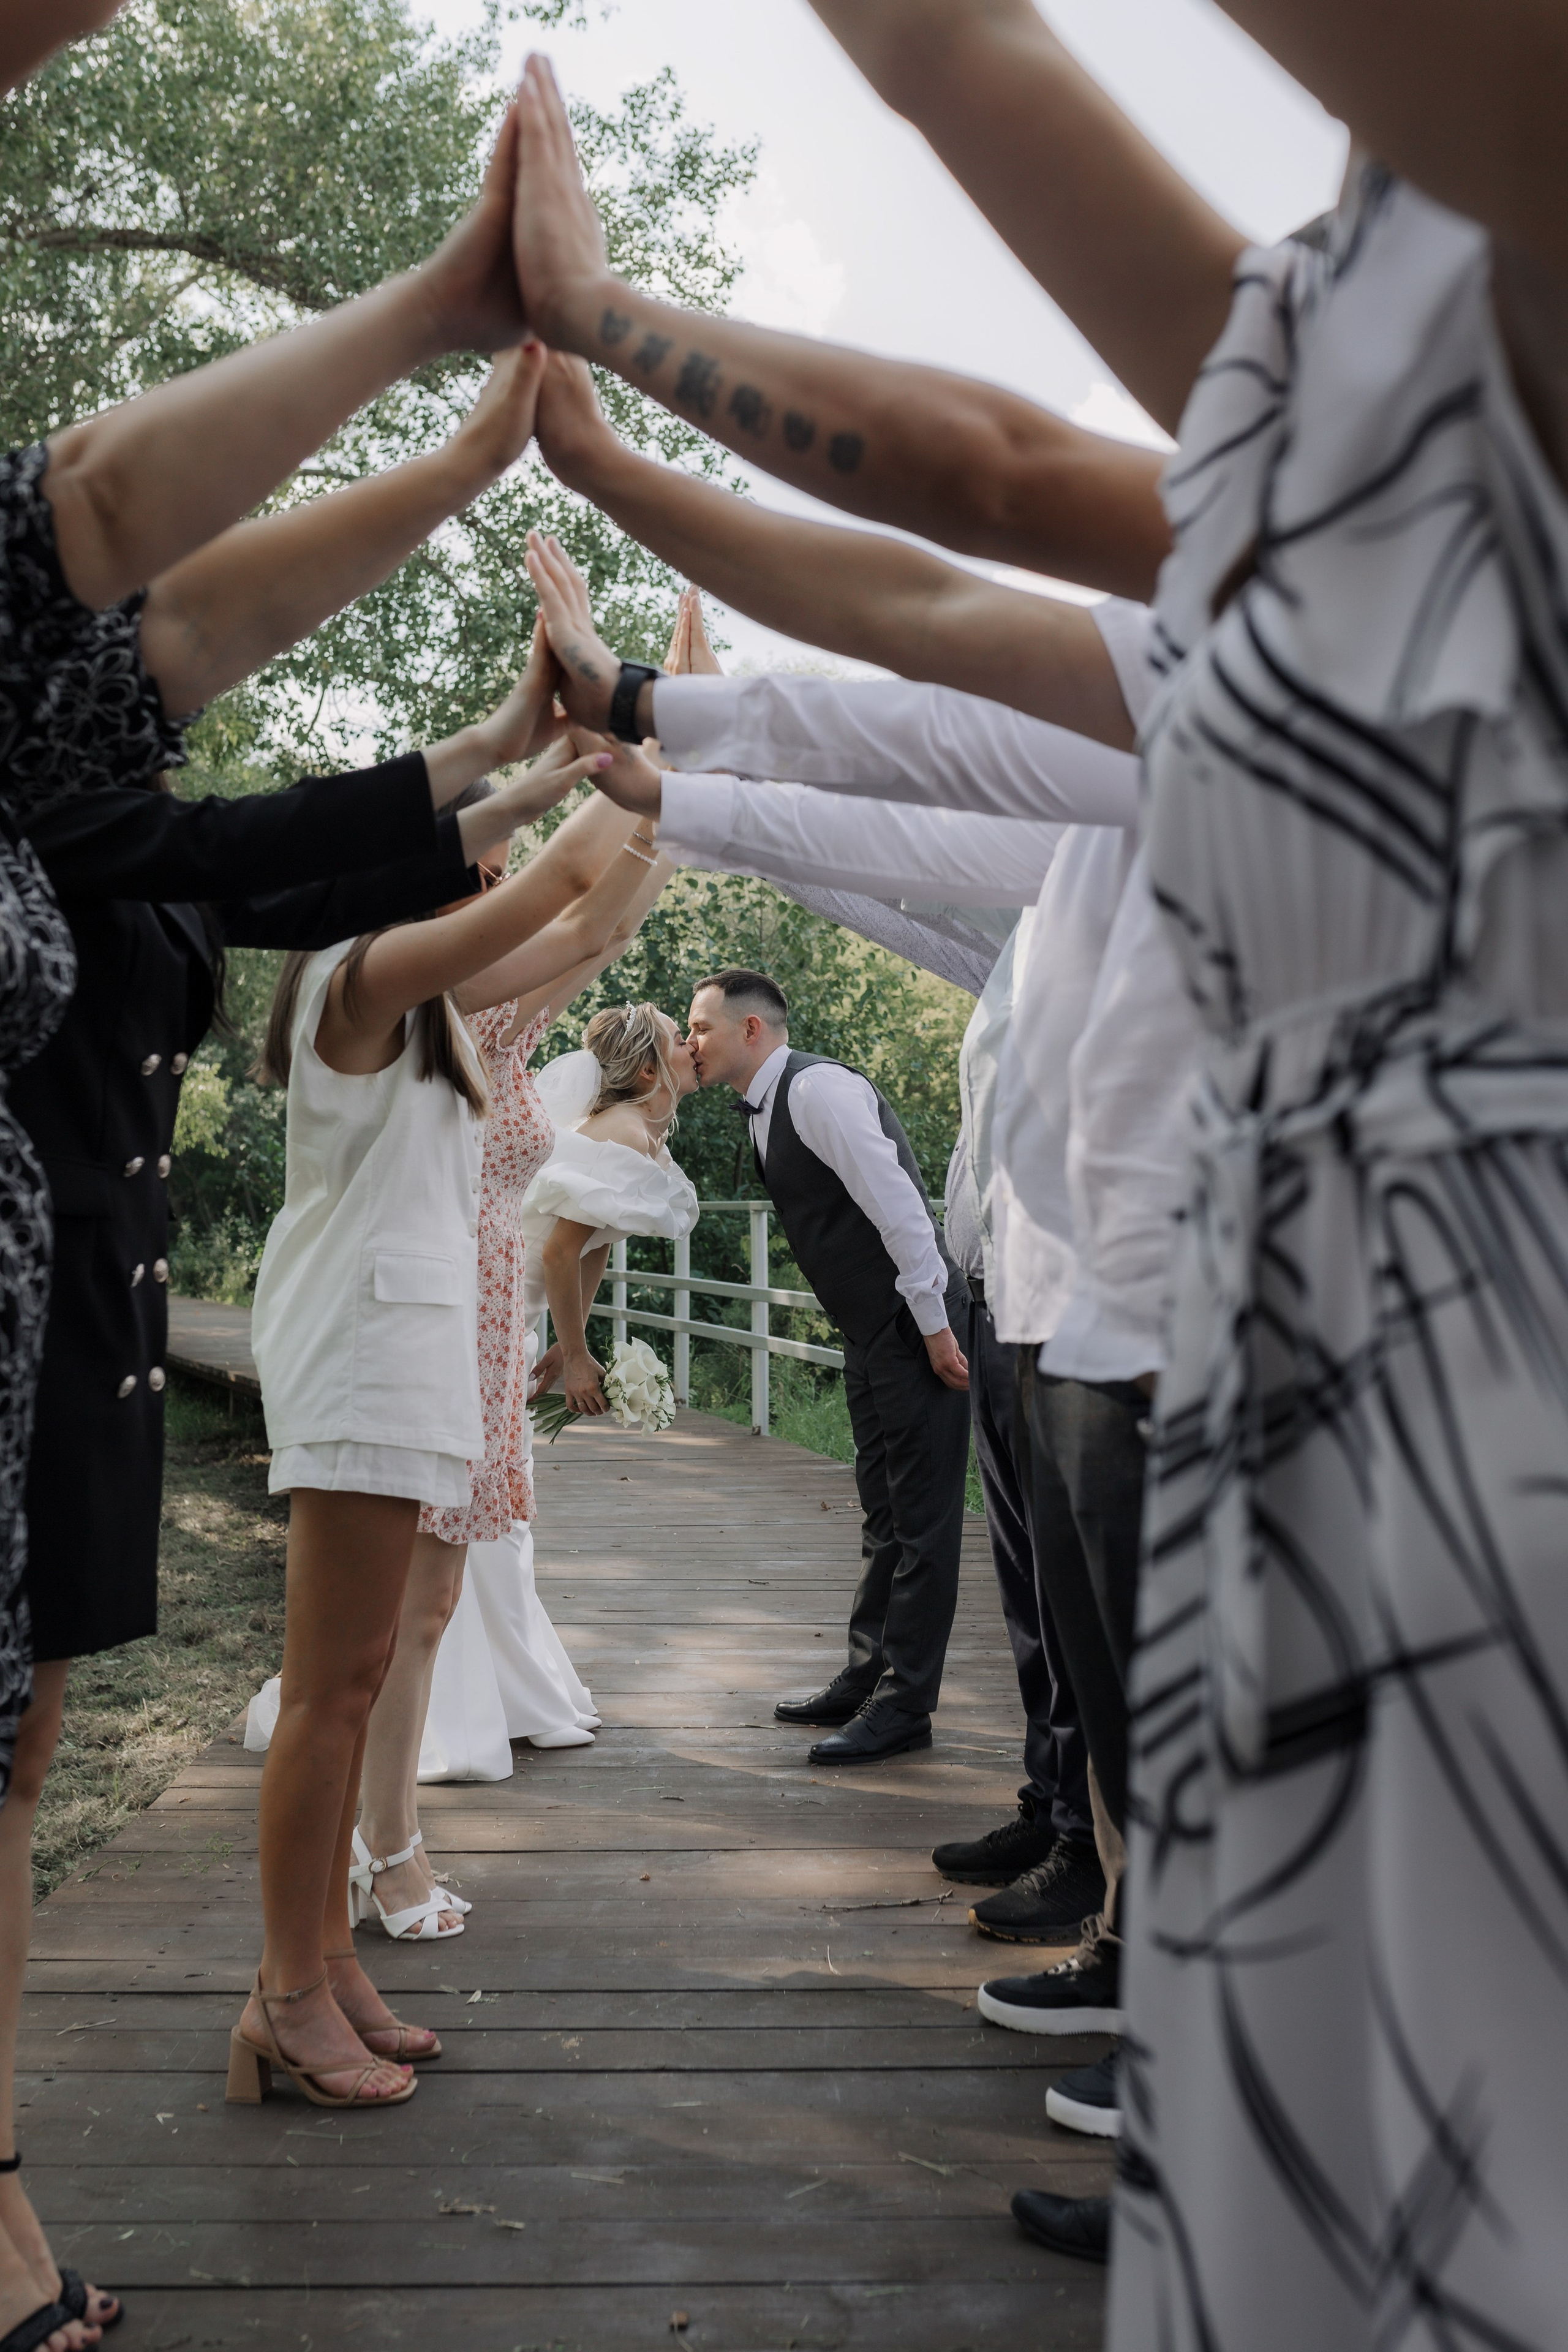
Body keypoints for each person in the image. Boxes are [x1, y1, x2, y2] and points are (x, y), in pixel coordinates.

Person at [230, 698, 650, 2106]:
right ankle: (285, 1994)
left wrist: (657, 794)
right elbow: (553, 881)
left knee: (351, 1681)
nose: (486, 875)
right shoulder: (365, 977)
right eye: (461, 860)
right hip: (360, 1345)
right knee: (327, 1689)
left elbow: (591, 925)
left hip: (396, 1349)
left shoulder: (431, 1009)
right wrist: (628, 728)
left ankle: (325, 1962)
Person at [346, 813, 673, 1937]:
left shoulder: (501, 1031)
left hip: (484, 1325)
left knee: (432, 1603)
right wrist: (650, 783)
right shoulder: (446, 1001)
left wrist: (667, 797)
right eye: (496, 868)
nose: (511, 882)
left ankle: (388, 1841)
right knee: (399, 1610)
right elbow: (587, 916)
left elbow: (603, 931)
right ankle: (382, 1847)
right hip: (435, 1318)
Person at [676, 966, 968, 1763]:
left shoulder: (817, 1093)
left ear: (751, 1031)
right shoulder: (765, 1107)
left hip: (916, 1330)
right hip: (871, 1333)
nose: (688, 1041)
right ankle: (868, 1674)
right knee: (883, 1510)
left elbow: (902, 1208)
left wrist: (938, 1329)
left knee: (923, 1523)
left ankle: (906, 1706)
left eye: (700, 1027)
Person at [521, 1000, 701, 1419]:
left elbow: (597, 1239)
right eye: (679, 1040)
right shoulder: (627, 1133)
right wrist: (578, 1357)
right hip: (504, 1291)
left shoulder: (643, 1135)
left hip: (521, 1300)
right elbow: (559, 1253)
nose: (692, 1047)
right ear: (650, 1071)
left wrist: (572, 1342)